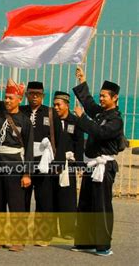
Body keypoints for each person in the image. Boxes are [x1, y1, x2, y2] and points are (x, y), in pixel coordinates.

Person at [71, 66, 123, 257]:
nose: (101, 99)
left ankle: (103, 245)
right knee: (85, 203)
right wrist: (82, 80)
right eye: (100, 95)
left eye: (104, 96)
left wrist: (82, 119)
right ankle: (85, 242)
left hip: (103, 166)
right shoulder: (100, 113)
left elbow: (100, 133)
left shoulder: (116, 120)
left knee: (101, 206)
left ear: (114, 98)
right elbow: (88, 102)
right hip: (91, 165)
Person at [0, 78, 34, 251]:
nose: (7, 100)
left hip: (15, 165)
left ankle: (18, 239)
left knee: (16, 204)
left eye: (11, 98)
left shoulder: (25, 121)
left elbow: (28, 149)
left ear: (19, 99)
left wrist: (27, 174)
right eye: (5, 97)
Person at [20, 81, 55, 245]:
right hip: (24, 159)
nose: (34, 97)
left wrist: (58, 162)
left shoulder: (50, 112)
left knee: (44, 198)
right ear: (26, 95)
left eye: (38, 94)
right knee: (22, 197)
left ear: (43, 96)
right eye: (31, 94)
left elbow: (58, 139)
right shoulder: (21, 111)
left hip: (44, 161)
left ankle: (42, 235)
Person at [51, 91, 84, 239]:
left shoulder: (75, 121)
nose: (56, 107)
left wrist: (79, 165)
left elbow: (79, 143)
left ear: (67, 105)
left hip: (68, 164)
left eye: (59, 105)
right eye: (54, 104)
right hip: (52, 163)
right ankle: (50, 229)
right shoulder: (51, 121)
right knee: (51, 195)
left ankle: (68, 230)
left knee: (68, 197)